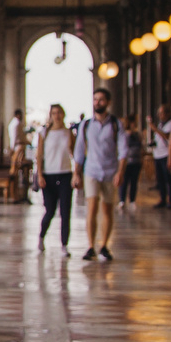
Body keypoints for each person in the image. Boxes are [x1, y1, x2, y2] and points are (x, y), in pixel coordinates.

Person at [73, 89, 122, 262]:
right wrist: (76, 174)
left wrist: (120, 172)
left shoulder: (115, 124)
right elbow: (79, 151)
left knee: (107, 209)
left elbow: (123, 151)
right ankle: (90, 246)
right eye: (95, 100)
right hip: (91, 170)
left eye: (101, 100)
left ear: (108, 102)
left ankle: (104, 245)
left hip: (110, 171)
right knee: (92, 208)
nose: (97, 103)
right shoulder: (86, 125)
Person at [36, 103, 75, 251]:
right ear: (50, 115)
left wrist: (77, 174)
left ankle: (64, 245)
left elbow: (75, 154)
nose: (57, 115)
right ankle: (41, 236)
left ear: (63, 114)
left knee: (65, 211)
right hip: (49, 175)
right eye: (54, 113)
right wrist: (40, 175)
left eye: (59, 112)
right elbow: (39, 155)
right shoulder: (44, 133)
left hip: (65, 174)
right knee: (50, 211)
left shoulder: (68, 133)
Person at [118, 115, 145, 213]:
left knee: (134, 182)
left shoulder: (138, 134)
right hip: (126, 162)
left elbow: (141, 146)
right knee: (124, 182)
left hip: (136, 161)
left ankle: (132, 200)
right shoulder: (124, 135)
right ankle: (122, 200)